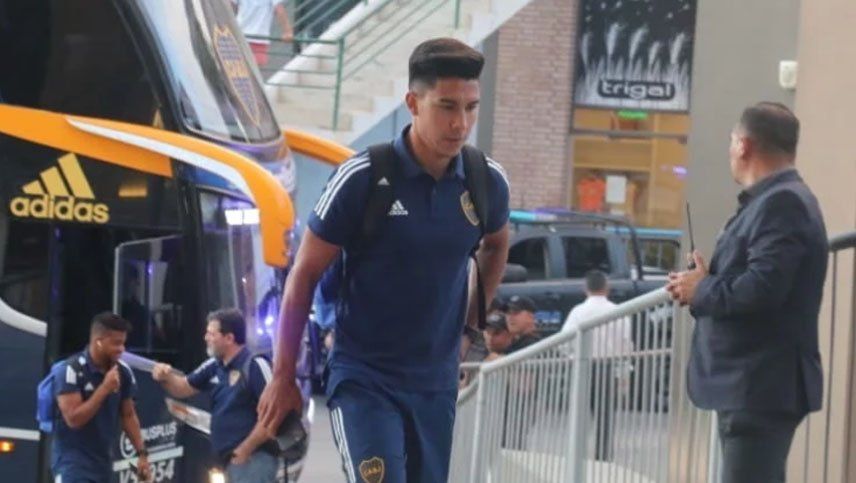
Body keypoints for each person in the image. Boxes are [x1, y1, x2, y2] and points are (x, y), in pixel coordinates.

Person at [257, 37, 510, 483]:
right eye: (446, 107)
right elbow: (303, 275)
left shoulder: (484, 180)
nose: (461, 123)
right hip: (363, 379)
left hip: (435, 384)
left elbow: (496, 245)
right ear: (413, 103)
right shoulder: (362, 178)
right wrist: (283, 376)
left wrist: (469, 331)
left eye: (471, 108)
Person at [667, 102, 828, 483]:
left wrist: (702, 288)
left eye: (731, 141)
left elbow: (763, 288)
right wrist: (704, 282)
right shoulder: (775, 200)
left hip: (759, 384)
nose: (729, 150)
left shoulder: (783, 203)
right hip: (753, 384)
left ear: (743, 145)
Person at [152, 309, 279, 483]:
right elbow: (183, 387)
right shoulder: (214, 365)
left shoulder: (255, 365)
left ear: (229, 338)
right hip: (228, 461)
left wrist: (245, 449)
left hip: (254, 460)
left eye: (212, 334)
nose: (206, 338)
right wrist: (165, 376)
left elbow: (273, 415)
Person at [52, 312, 151, 482]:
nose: (122, 349)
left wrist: (142, 454)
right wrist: (104, 388)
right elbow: (73, 419)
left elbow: (128, 415)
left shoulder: (123, 372)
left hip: (103, 465)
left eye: (123, 343)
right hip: (73, 466)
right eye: (116, 343)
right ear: (98, 342)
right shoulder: (70, 371)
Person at [562, 269, 634, 461]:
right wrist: (624, 373)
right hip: (608, 367)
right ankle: (603, 457)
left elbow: (564, 341)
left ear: (585, 288)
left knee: (579, 416)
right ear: (606, 287)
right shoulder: (618, 311)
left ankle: (577, 457)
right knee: (605, 417)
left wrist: (571, 356)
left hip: (582, 366)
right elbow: (626, 345)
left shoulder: (577, 312)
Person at [233, 0, 294, 67]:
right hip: (259, 38)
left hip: (239, 35)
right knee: (255, 69)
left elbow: (231, 6)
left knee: (236, 68)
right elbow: (279, 9)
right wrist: (287, 32)